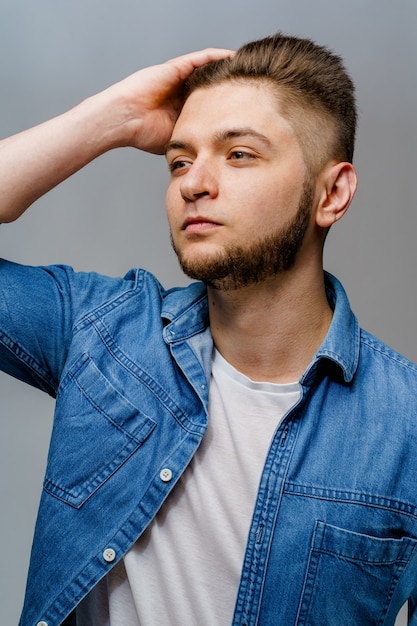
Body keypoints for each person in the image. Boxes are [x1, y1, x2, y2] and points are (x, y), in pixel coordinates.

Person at [1, 32, 417, 626]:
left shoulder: (406, 428)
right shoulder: (101, 331)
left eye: (239, 154)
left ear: (332, 193)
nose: (193, 182)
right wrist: (113, 117)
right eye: (179, 160)